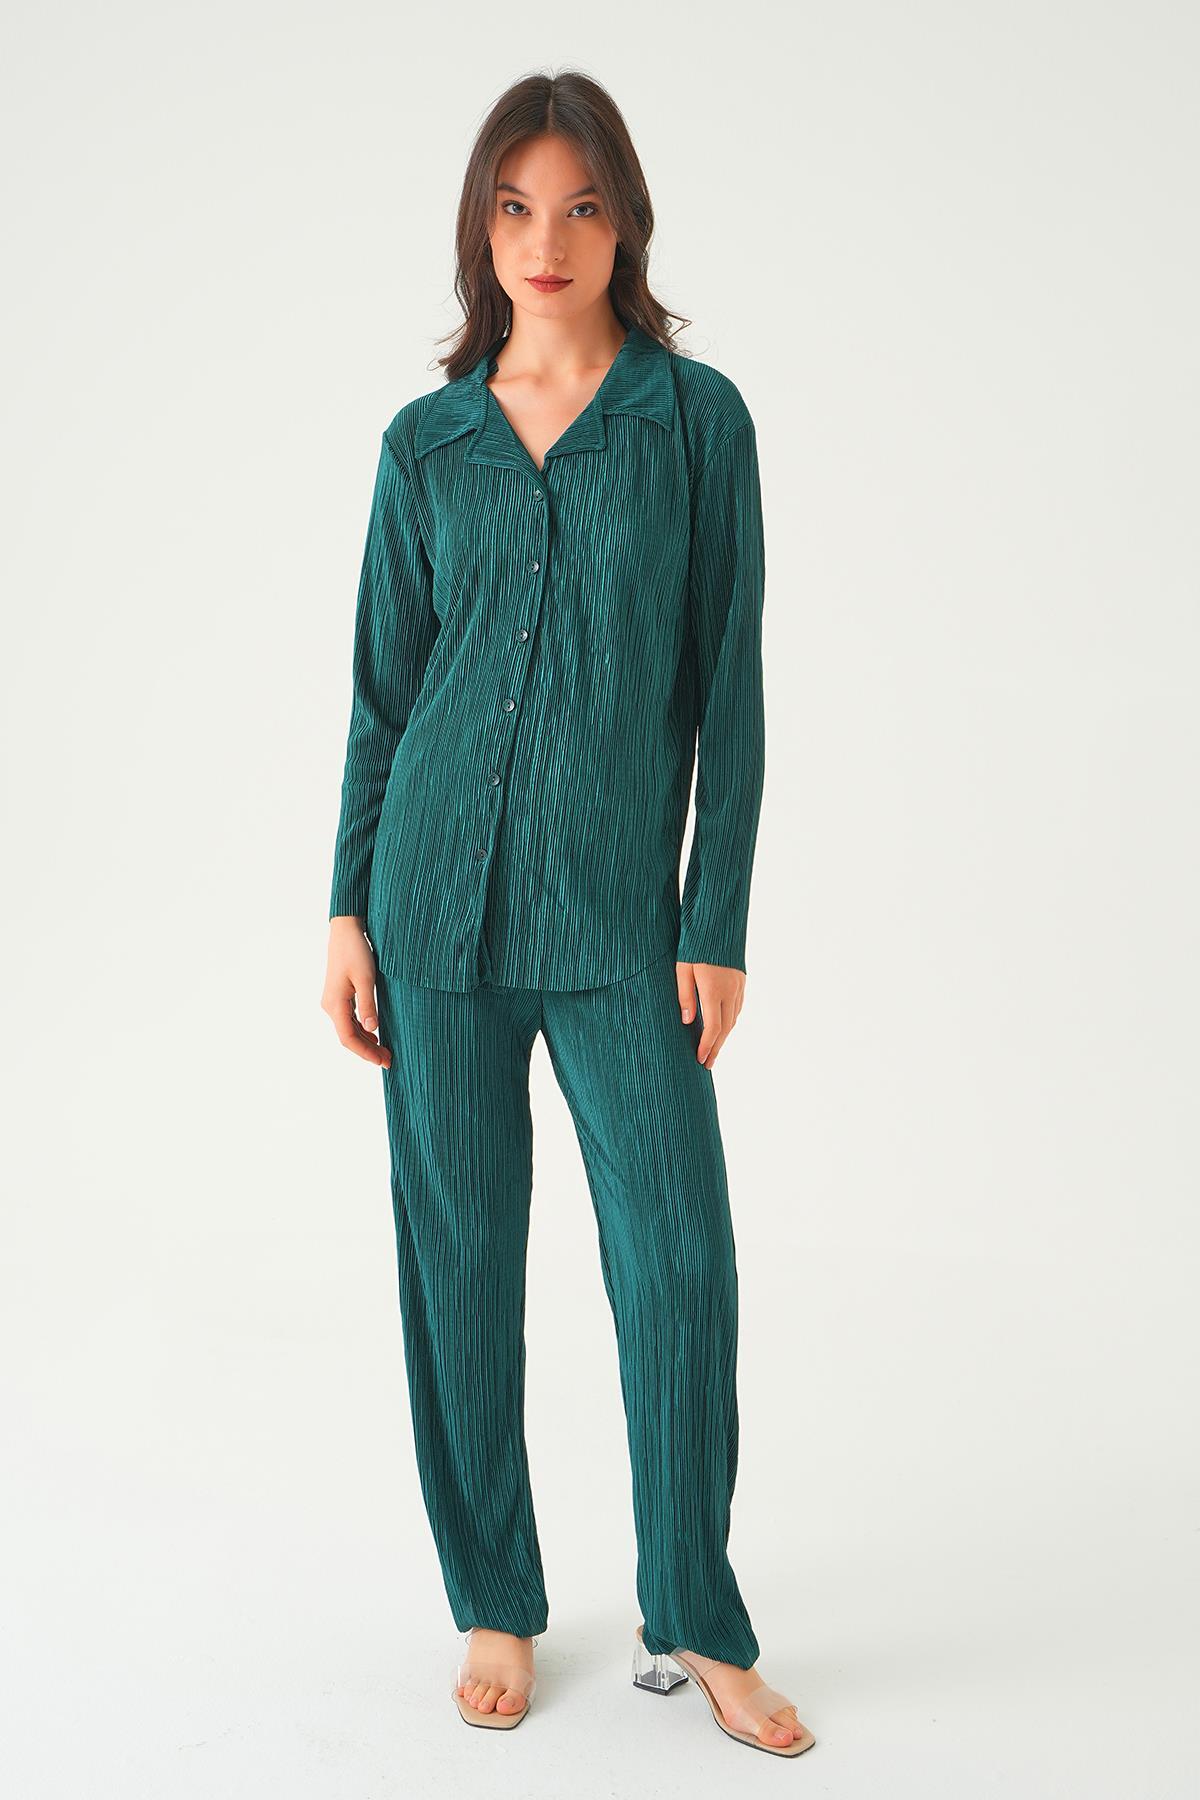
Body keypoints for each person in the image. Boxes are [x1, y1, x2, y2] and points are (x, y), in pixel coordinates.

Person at [320, 69, 814, 1758]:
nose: (549, 239)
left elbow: (729, 687)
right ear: (482, 227)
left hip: (622, 927)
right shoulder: (427, 443)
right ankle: (495, 1600)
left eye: (583, 206)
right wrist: (345, 908)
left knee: (677, 1262)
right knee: (459, 1263)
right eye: (518, 207)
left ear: (627, 223)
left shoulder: (697, 423)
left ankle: (696, 1610)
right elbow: (385, 696)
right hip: (432, 913)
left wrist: (716, 915)